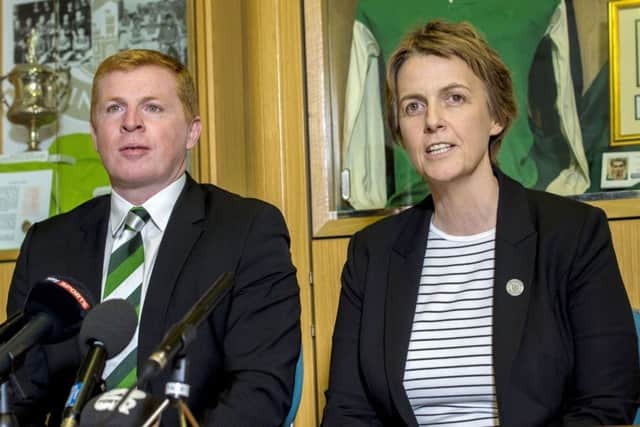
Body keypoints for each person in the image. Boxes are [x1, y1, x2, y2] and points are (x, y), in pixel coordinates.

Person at [322, 20, 639, 426]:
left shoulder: (572, 234)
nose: (432, 120)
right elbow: (348, 412)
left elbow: (606, 403)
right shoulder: (373, 253)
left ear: (497, 117)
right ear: (400, 132)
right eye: (413, 106)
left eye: (454, 98)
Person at [7, 49, 301, 426]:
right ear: (95, 134)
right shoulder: (46, 245)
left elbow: (260, 391)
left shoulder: (247, 231)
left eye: (153, 108)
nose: (131, 123)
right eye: (114, 108)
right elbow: (19, 396)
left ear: (192, 131)